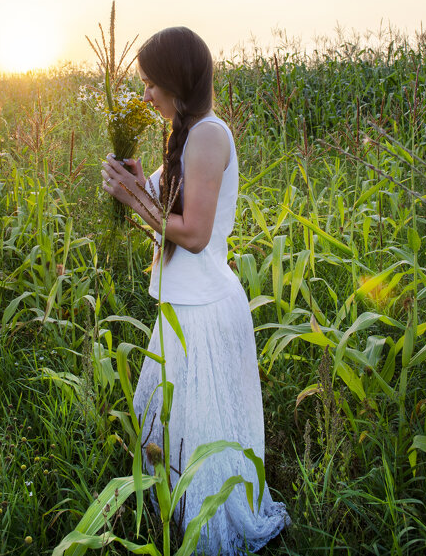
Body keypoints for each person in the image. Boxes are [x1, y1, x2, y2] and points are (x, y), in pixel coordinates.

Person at [101, 27, 289, 555]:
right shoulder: (185, 135)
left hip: (205, 311)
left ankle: (211, 528)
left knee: (205, 436)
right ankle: (180, 510)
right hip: (185, 305)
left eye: (150, 85)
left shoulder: (208, 134)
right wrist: (139, 182)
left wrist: (134, 197)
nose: (145, 97)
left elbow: (194, 232)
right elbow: (166, 215)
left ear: (176, 80)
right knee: (178, 426)